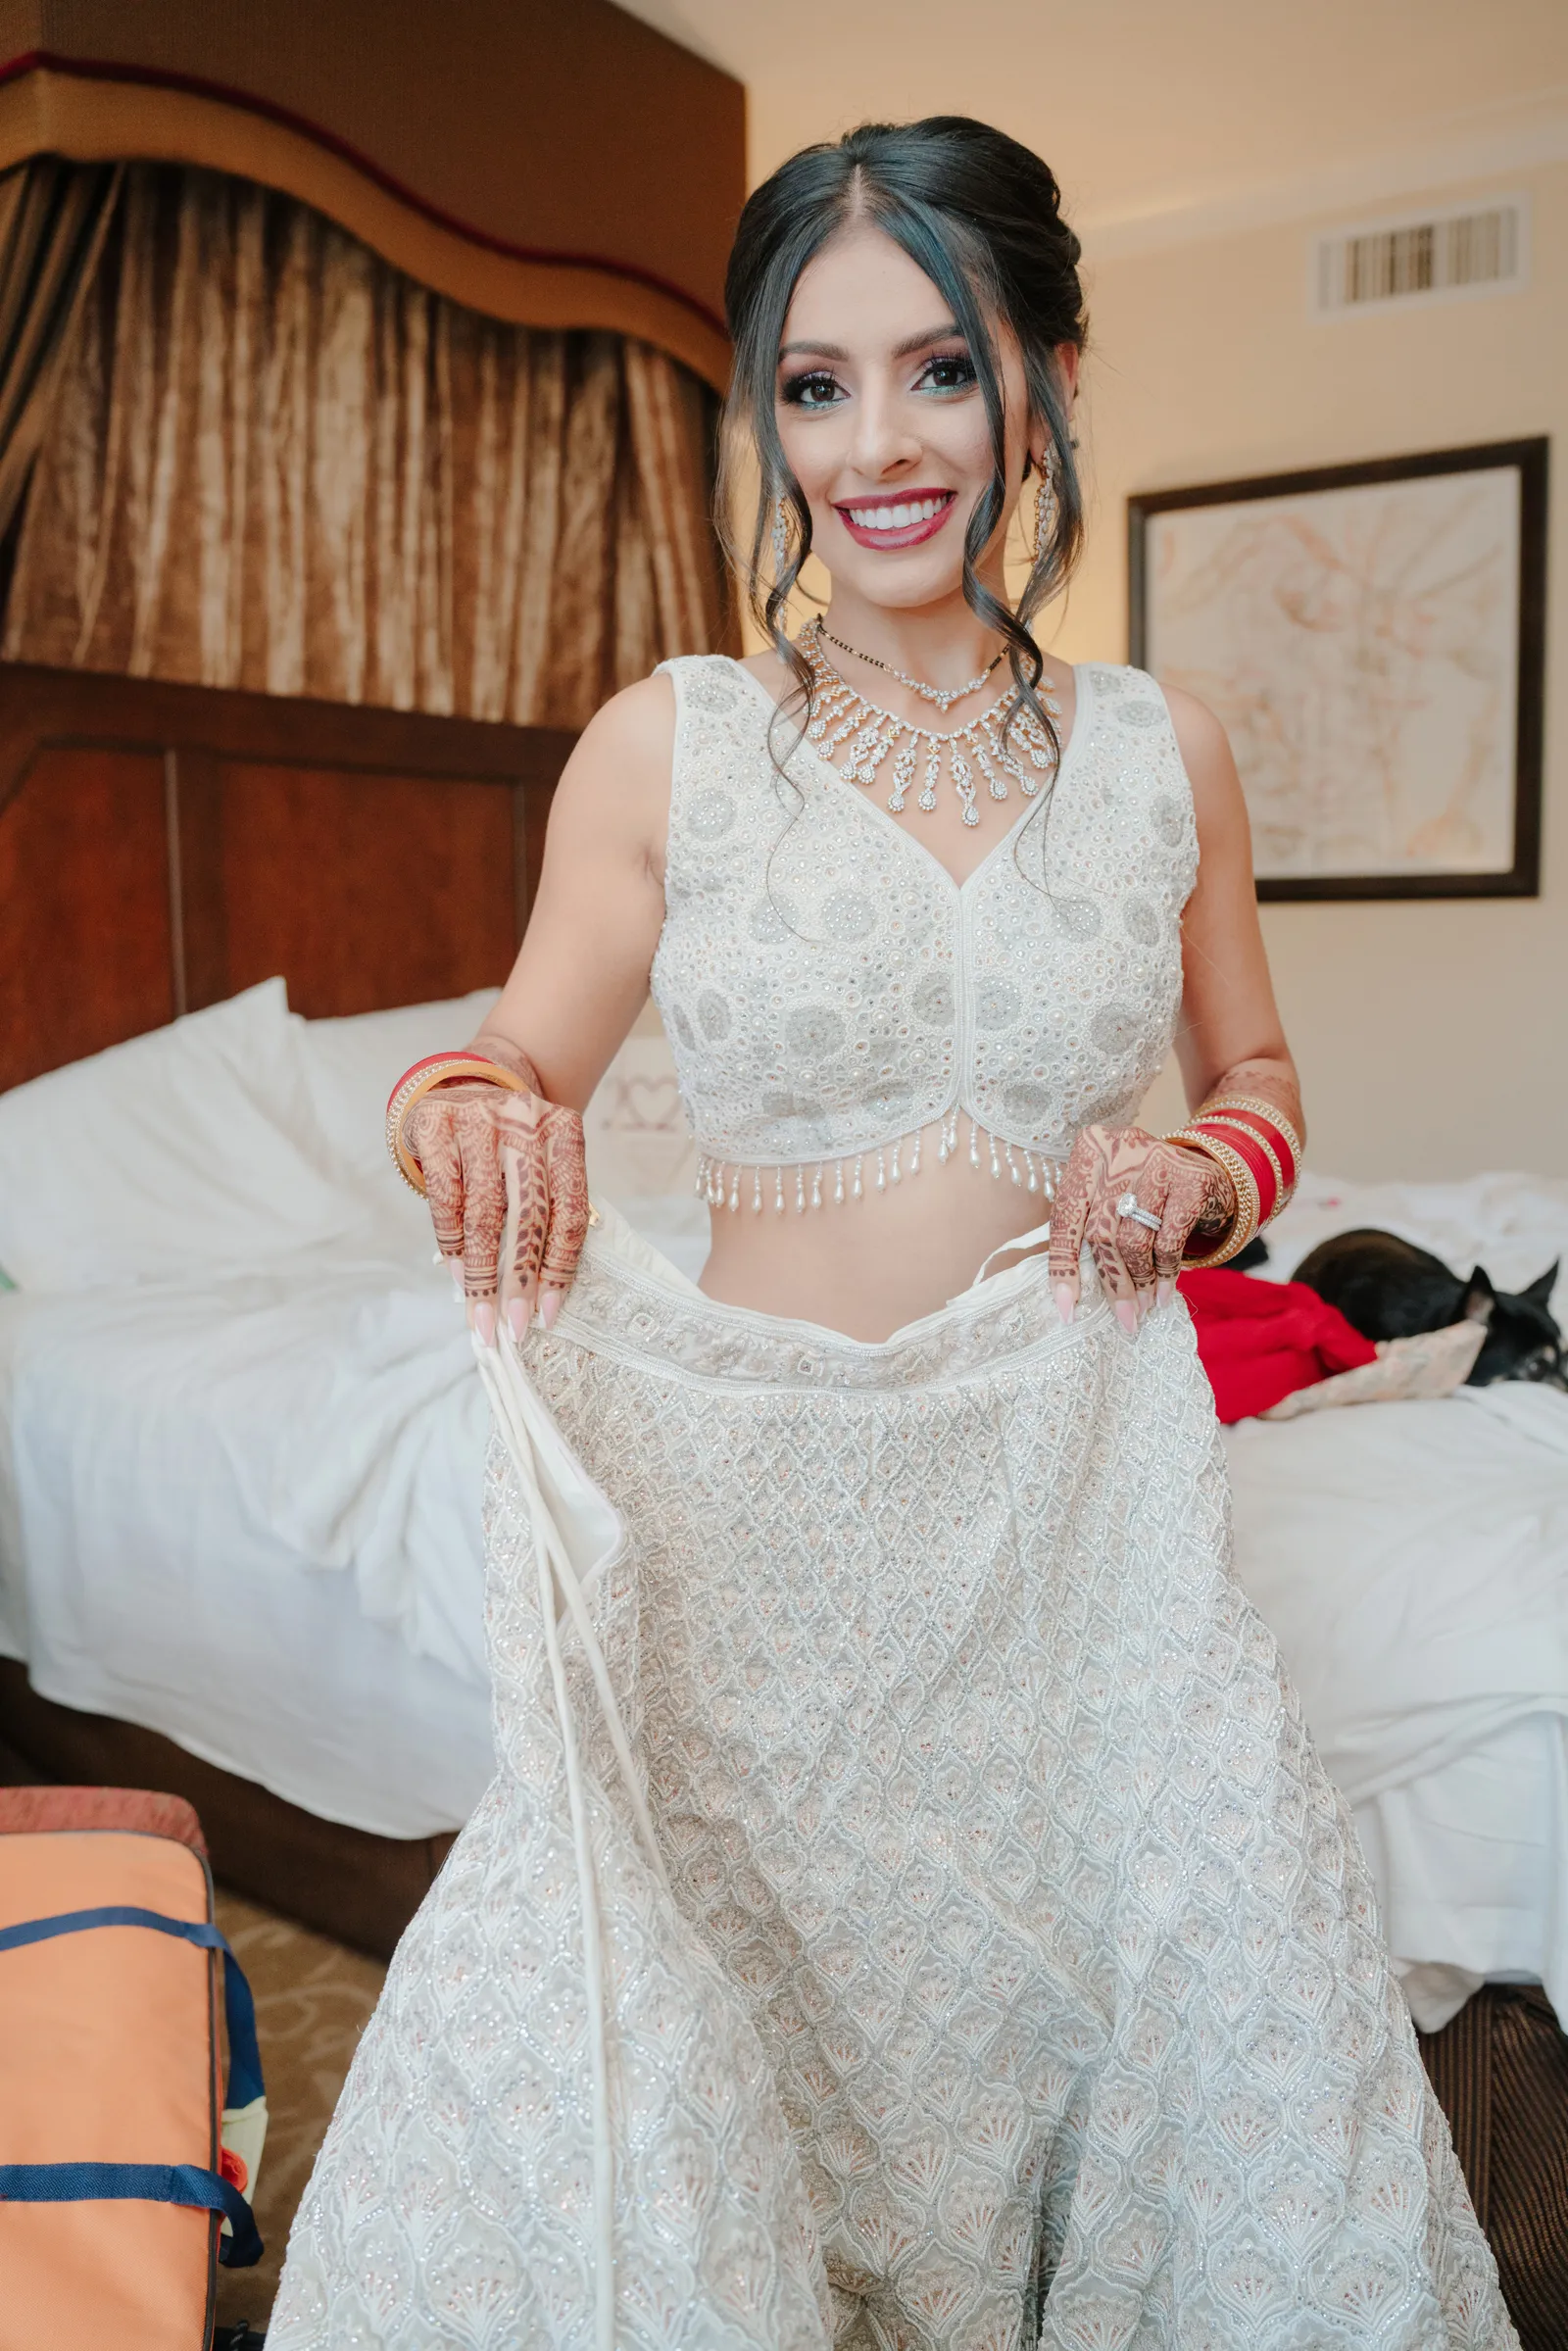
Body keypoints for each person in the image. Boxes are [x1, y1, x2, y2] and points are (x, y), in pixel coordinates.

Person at [270, 118, 1516, 2351]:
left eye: (936, 369)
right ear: (760, 409)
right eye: (811, 383)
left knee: (1194, 1981)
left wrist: (1202, 1178)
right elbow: (509, 1056)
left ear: (1038, 371)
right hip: (758, 1535)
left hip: (1073, 1510)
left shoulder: (1170, 751)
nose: (875, 444)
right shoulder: (676, 746)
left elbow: (1259, 1093)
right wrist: (460, 1116)